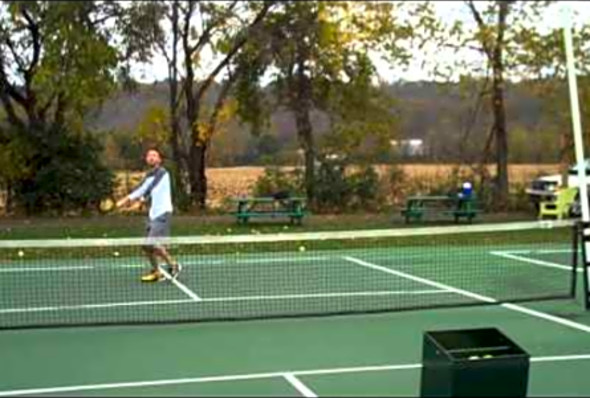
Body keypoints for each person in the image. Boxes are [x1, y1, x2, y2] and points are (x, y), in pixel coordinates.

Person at [116, 147, 182, 282]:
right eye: (149, 155)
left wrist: (131, 200)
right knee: (146, 246)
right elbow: (143, 190)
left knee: (150, 243)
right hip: (153, 215)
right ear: (146, 160)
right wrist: (131, 200)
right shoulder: (148, 176)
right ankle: (157, 272)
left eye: (154, 155)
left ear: (159, 159)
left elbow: (147, 189)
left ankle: (174, 265)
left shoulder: (162, 173)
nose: (151, 157)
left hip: (163, 213)